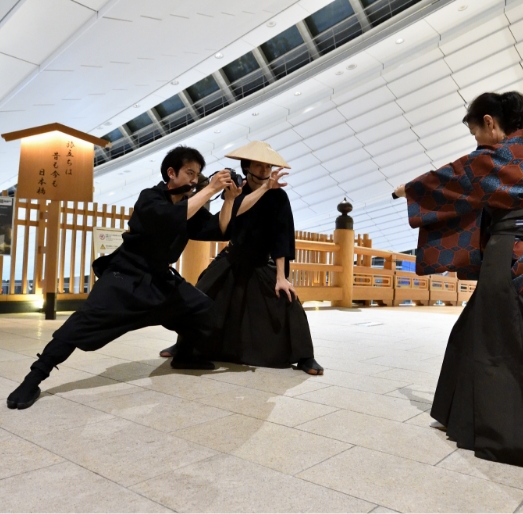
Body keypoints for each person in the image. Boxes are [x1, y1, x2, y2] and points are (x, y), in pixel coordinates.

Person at [7, 146, 244, 410]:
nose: (194, 179)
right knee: (79, 325)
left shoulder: (192, 207)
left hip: (160, 279)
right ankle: (33, 378)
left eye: (197, 174)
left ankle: (185, 355)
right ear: (171, 172)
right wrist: (209, 189)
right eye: (190, 172)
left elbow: (220, 229)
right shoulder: (150, 197)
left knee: (204, 310)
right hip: (125, 276)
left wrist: (229, 200)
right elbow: (168, 218)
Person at [394, 91, 523, 474]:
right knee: (479, 332)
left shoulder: (496, 157)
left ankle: (521, 434)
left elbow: (449, 180)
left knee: (507, 339)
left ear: (489, 122)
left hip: (513, 254)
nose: (477, 142)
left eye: (475, 132)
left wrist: (408, 191)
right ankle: (463, 415)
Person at [160, 141, 324, 375]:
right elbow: (234, 212)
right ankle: (185, 345)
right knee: (202, 293)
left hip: (260, 261)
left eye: (268, 166)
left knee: (288, 300)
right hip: (232, 257)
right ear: (247, 167)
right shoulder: (237, 189)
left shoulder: (279, 197)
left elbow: (282, 236)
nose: (264, 171)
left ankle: (305, 356)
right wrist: (262, 189)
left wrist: (281, 276)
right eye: (258, 166)